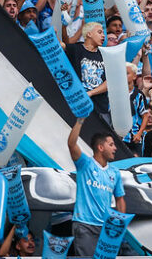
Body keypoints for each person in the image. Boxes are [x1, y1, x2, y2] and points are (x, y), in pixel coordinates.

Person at [67, 118, 125, 256]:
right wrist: (80, 120)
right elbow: (71, 144)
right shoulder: (85, 164)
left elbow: (120, 199)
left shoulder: (115, 172)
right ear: (100, 147)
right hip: (84, 225)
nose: (115, 148)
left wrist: (119, 222)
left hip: (106, 228)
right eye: (111, 144)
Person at [64, 22, 109, 123]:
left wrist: (91, 93)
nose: (103, 35)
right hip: (78, 105)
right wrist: (60, 27)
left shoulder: (105, 55)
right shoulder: (76, 49)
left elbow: (109, 82)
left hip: (100, 109)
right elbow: (58, 46)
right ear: (89, 34)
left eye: (103, 33)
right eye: (99, 32)